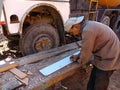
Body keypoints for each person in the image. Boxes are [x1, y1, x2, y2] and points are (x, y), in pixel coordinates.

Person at [64, 16, 120, 90]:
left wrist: (80, 62)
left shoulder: (88, 30)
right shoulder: (88, 25)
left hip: (109, 57)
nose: (73, 34)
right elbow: (86, 47)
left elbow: (86, 52)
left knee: (100, 83)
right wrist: (78, 56)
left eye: (71, 32)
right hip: (103, 54)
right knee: (92, 80)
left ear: (76, 26)